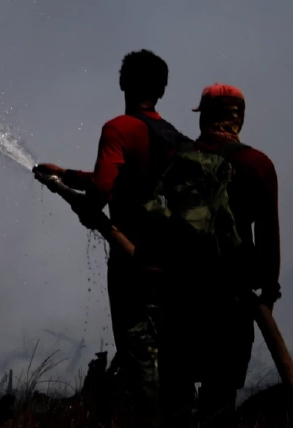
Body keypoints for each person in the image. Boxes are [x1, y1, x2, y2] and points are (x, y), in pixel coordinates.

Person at [35, 49, 188, 419]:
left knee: (140, 359)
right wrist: (67, 176)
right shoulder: (178, 141)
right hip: (176, 266)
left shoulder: (118, 128)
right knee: (173, 359)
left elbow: (105, 187)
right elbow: (125, 181)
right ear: (162, 90)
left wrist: (88, 210)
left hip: (132, 262)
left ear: (123, 84)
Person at [151, 83, 281, 427]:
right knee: (220, 402)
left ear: (203, 118)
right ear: (239, 118)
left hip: (177, 297)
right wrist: (268, 293)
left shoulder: (174, 159)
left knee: (175, 400)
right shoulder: (257, 164)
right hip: (231, 302)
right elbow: (269, 238)